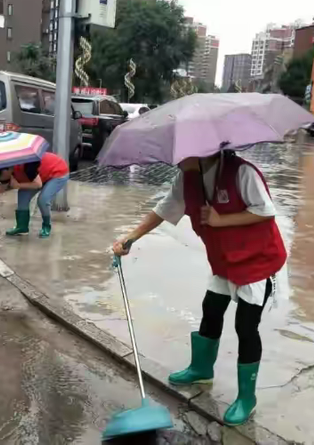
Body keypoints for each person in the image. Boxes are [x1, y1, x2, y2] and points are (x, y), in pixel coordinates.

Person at [113, 151, 287, 427]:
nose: (175, 158)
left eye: (180, 153)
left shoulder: (242, 172)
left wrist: (221, 220)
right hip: (224, 260)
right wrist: (131, 236)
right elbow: (164, 208)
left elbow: (265, 210)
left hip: (257, 261)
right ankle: (202, 368)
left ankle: (246, 399)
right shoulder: (187, 178)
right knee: (211, 309)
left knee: (245, 326)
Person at [0, 152, 69, 238]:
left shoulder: (28, 165)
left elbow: (38, 184)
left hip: (57, 172)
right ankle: (22, 227)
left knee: (43, 200)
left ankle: (46, 226)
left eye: (0, 176)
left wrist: (18, 185)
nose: (1, 179)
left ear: (6, 170)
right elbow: (2, 185)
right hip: (41, 175)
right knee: (22, 194)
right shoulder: (7, 168)